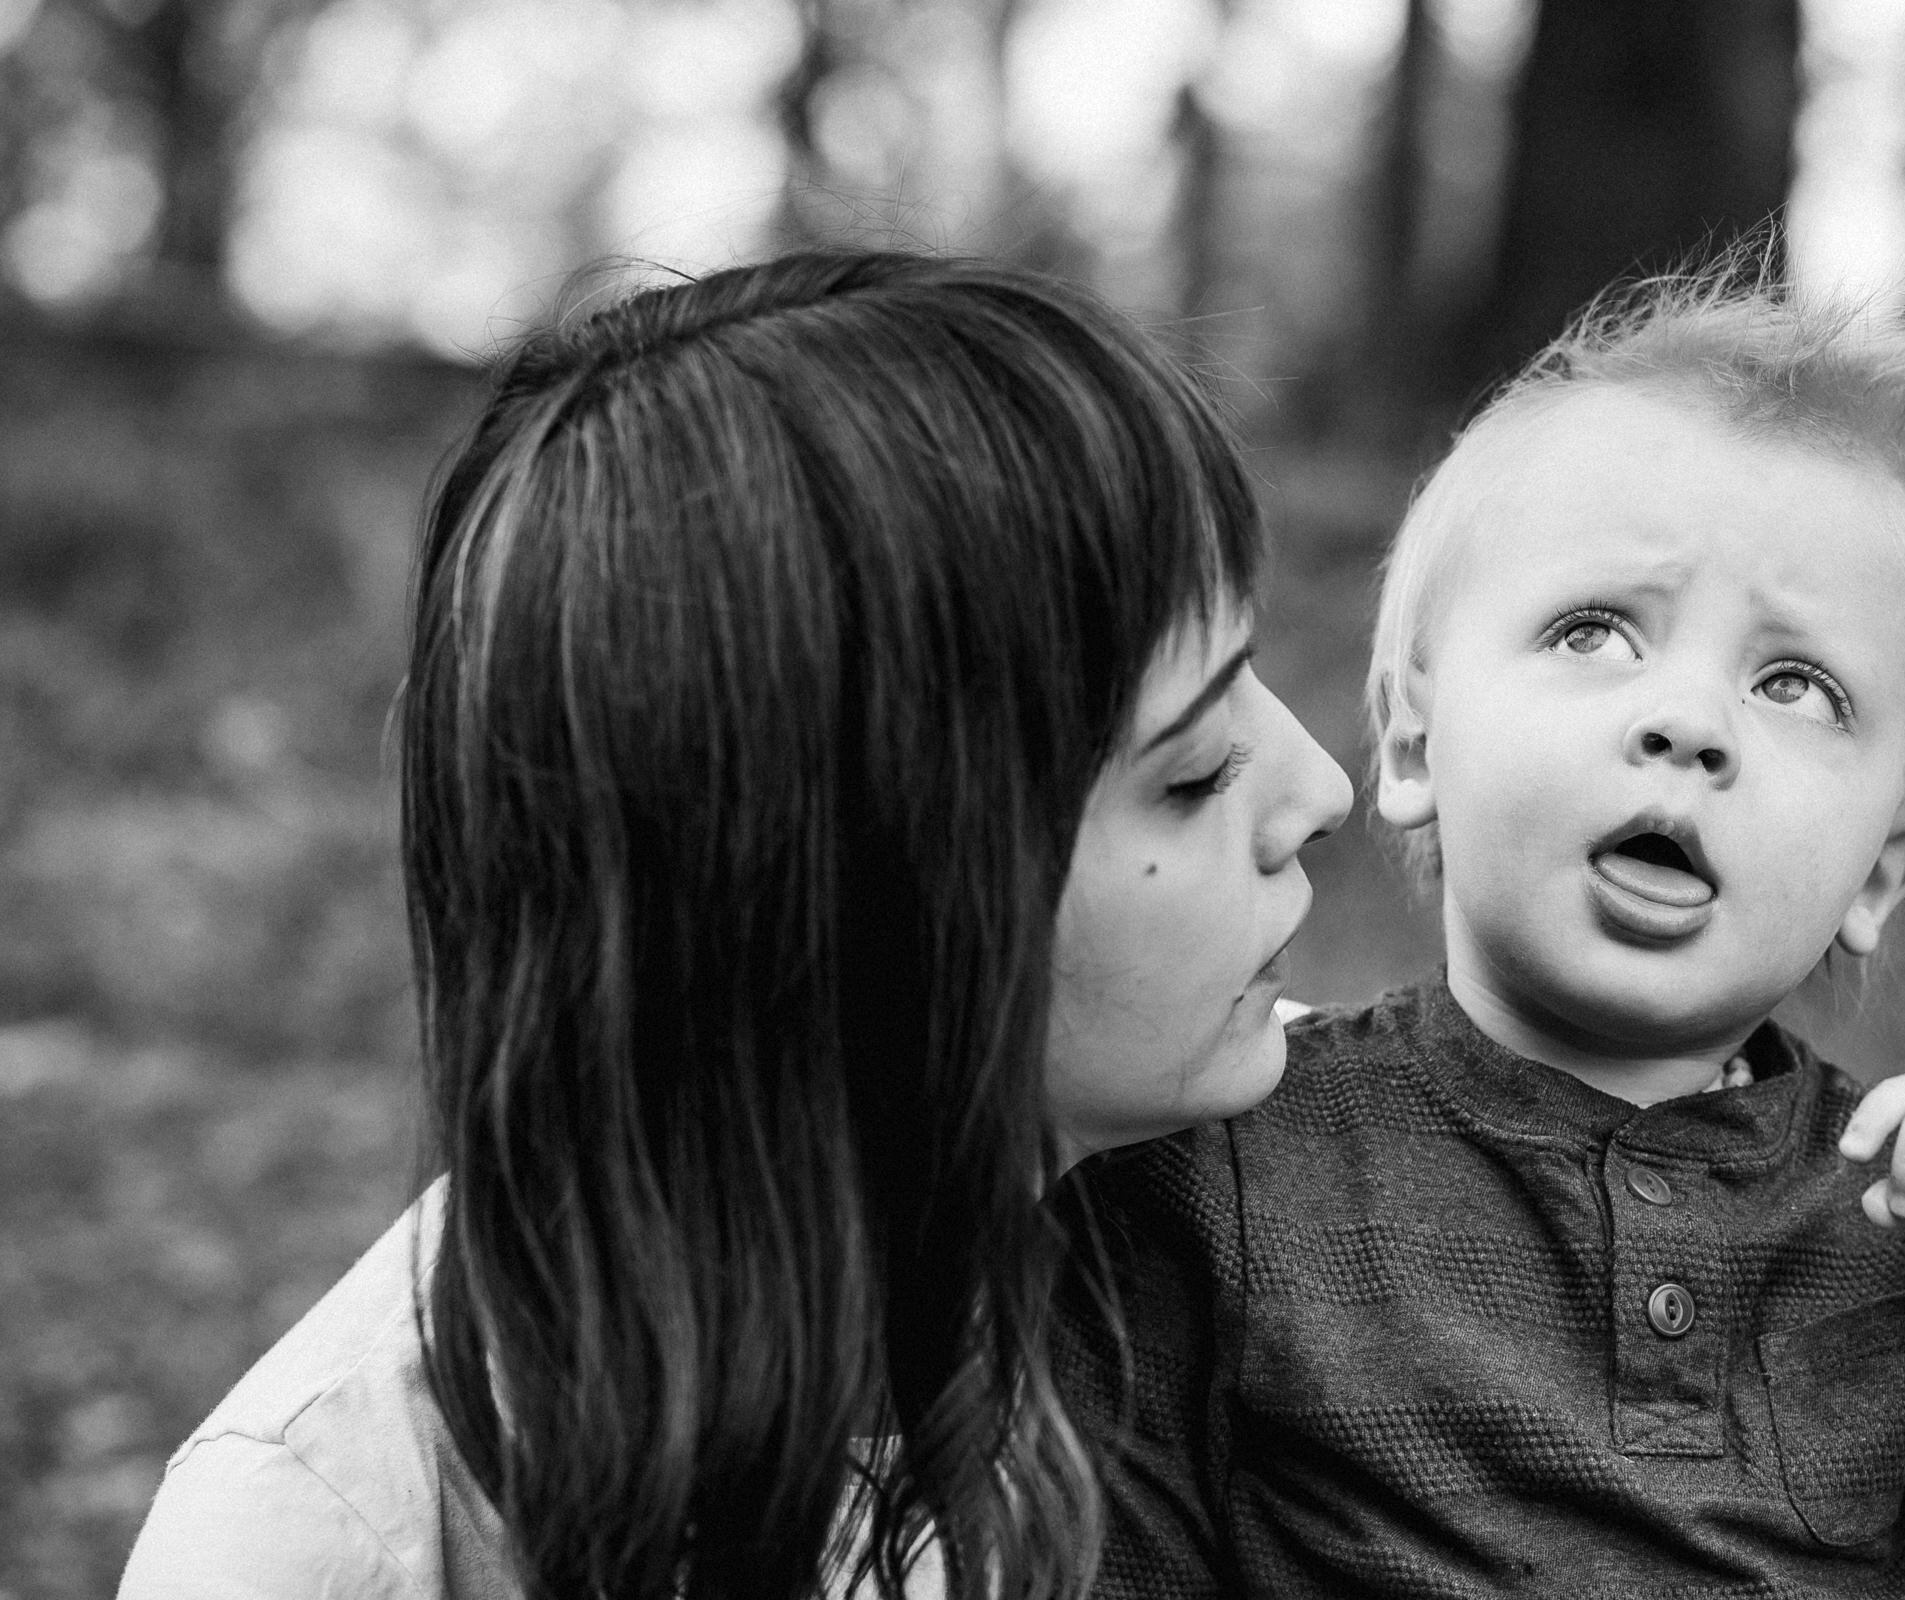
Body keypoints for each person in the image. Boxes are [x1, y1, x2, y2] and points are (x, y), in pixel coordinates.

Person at [116, 250, 1353, 1599]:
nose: (1320, 793)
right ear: (860, 897)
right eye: (1190, 771)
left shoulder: (1345, 1180)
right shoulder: (329, 1544)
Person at [1057, 265, 1905, 1597]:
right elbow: (1113, 1549)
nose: (1688, 723)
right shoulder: (1231, 1167)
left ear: (1881, 871)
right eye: (1597, 631)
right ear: (1412, 739)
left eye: (1794, 683)